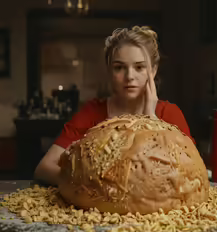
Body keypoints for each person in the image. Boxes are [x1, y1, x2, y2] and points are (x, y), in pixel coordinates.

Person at [34, 26, 194, 185]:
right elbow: (44, 168)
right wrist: (86, 186)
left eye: (139, 67)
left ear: (153, 71)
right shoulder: (92, 112)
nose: (130, 76)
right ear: (110, 71)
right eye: (119, 67)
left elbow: (192, 171)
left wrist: (151, 120)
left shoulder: (170, 114)